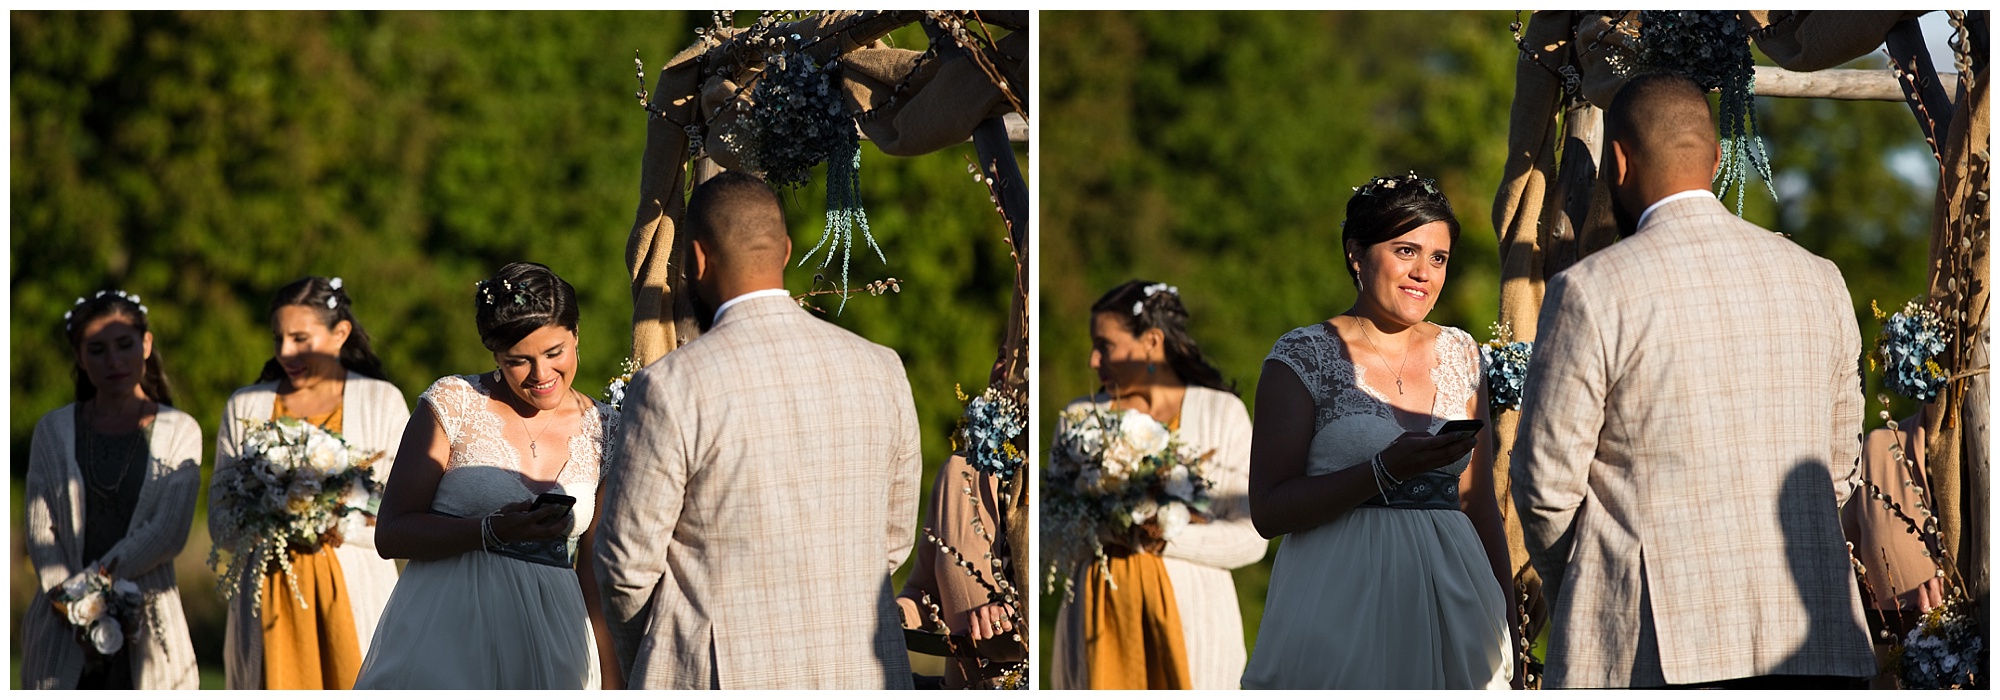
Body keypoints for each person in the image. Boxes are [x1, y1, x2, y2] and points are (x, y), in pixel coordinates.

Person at [1511, 73, 1875, 689]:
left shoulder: (1593, 289)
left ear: (1617, 162)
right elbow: (1840, 470)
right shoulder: (1821, 280)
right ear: (1714, 158)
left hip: (1654, 642)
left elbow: (1545, 484)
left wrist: (1597, 577)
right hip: (1814, 637)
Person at [595, 171, 923, 689]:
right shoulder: (882, 368)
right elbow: (894, 540)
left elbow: (625, 566)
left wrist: (660, 660)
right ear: (787, 250)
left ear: (697, 259)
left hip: (721, 673)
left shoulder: (672, 385)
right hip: (860, 669)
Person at [1240, 173, 1516, 690]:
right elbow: (1269, 511)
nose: (1423, 273)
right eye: (1406, 250)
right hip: (1340, 597)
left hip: (1455, 599)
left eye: (1438, 258)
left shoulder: (1462, 353)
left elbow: (1478, 505)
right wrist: (1382, 471)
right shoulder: (1303, 357)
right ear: (1356, 253)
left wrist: (1506, 627)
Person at [355, 262, 621, 689]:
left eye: (555, 353)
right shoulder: (454, 403)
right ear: (495, 354)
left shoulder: (607, 429)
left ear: (576, 335)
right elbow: (391, 533)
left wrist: (612, 677)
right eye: (519, 361)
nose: (541, 375)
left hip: (556, 637)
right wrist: (489, 531)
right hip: (446, 626)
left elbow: (593, 568)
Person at [1049, 280, 1267, 690]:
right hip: (1098, 627)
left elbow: (1252, 538)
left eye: (1105, 345)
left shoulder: (1221, 413)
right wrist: (1105, 524)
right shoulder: (1079, 418)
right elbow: (1049, 532)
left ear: (1151, 341)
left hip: (1192, 628)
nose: (1094, 360)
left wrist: (1162, 533)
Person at [210, 276, 407, 689]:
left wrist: (320, 517)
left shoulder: (382, 401)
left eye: (300, 338)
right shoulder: (245, 406)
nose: (285, 352)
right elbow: (220, 521)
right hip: (269, 603)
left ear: (339, 334)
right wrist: (274, 513)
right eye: (278, 338)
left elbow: (398, 514)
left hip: (356, 596)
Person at [22, 291, 201, 689]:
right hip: (59, 631)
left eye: (125, 345)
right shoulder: (53, 431)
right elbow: (40, 530)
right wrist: (69, 607)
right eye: (97, 350)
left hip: (150, 629)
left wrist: (87, 593)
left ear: (147, 344)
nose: (114, 361)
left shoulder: (181, 430)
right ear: (80, 357)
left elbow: (168, 532)